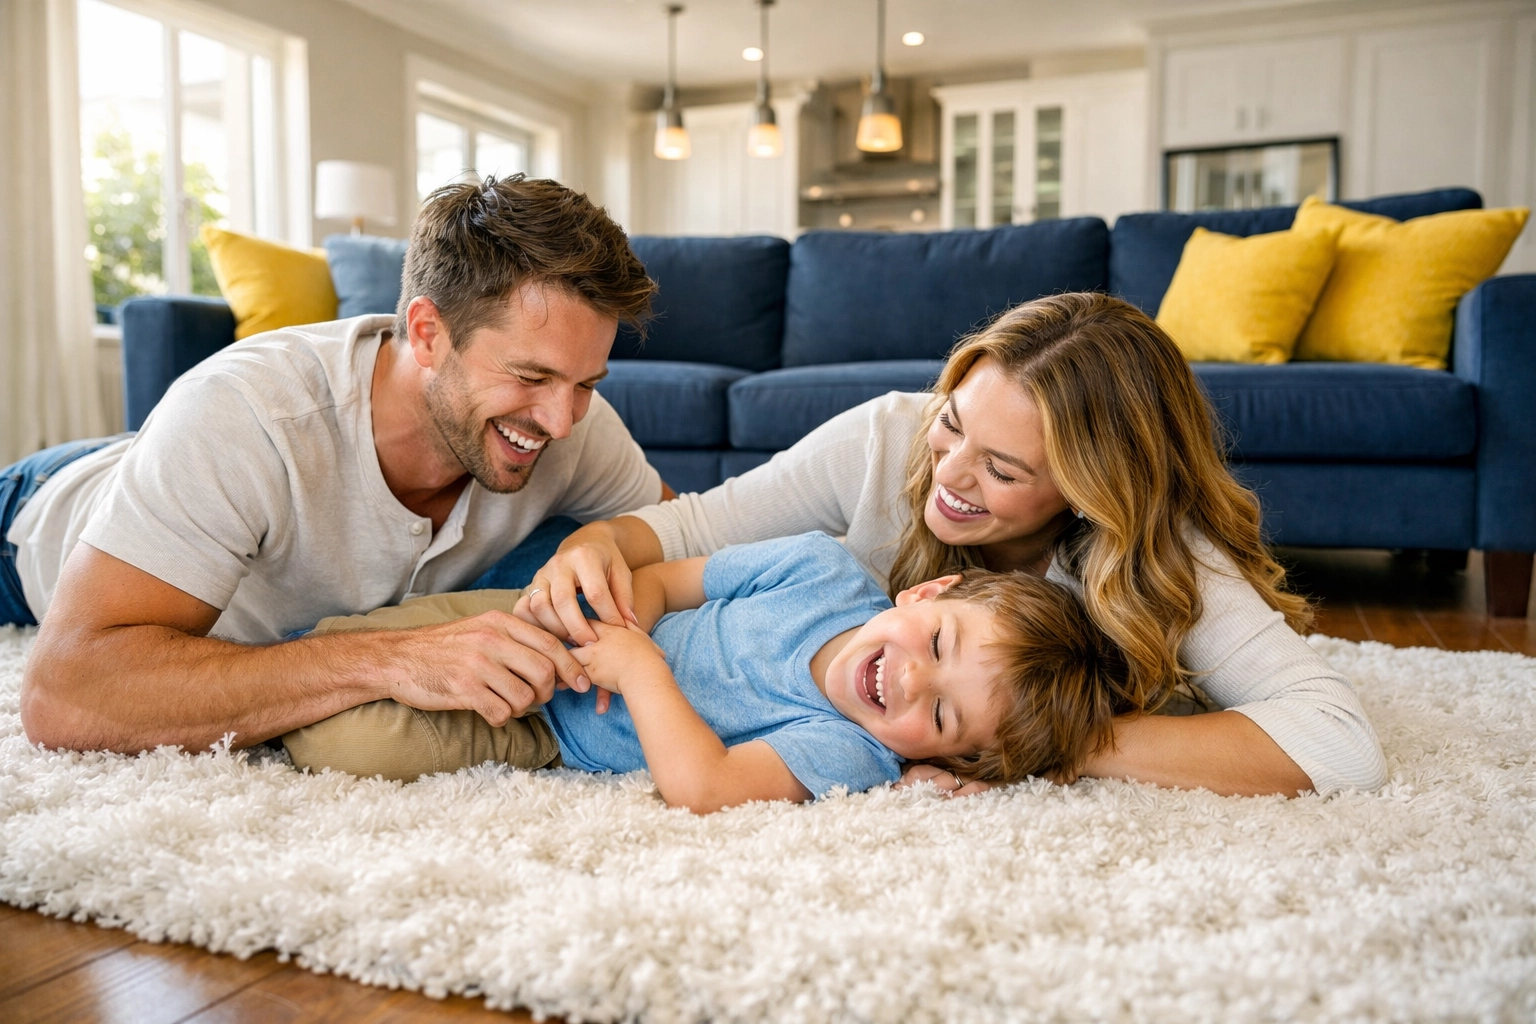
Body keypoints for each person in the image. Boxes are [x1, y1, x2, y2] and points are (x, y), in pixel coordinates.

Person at [519, 293, 1389, 799]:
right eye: (954, 424)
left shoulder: (1151, 550)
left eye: (1003, 469)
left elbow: (1339, 743)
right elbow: (695, 527)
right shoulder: (889, 436)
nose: (950, 476)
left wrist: (1041, 745)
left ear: (1089, 493)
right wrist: (596, 540)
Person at [11, 175, 674, 755]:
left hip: (173, 471)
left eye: (586, 383)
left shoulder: (571, 428)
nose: (561, 421)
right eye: (531, 375)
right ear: (426, 333)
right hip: (41, 512)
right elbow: (64, 695)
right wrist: (389, 659)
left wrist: (609, 535)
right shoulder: (246, 413)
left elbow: (691, 536)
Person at [280, 533, 1132, 814]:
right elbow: (661, 579)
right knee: (342, 641)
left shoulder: (848, 751)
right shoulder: (821, 568)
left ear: (944, 758)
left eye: (942, 718)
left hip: (545, 725)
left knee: (342, 738)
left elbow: (706, 786)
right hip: (550, 625)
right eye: (939, 645)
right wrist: (616, 629)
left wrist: (640, 672)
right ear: (929, 589)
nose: (911, 683)